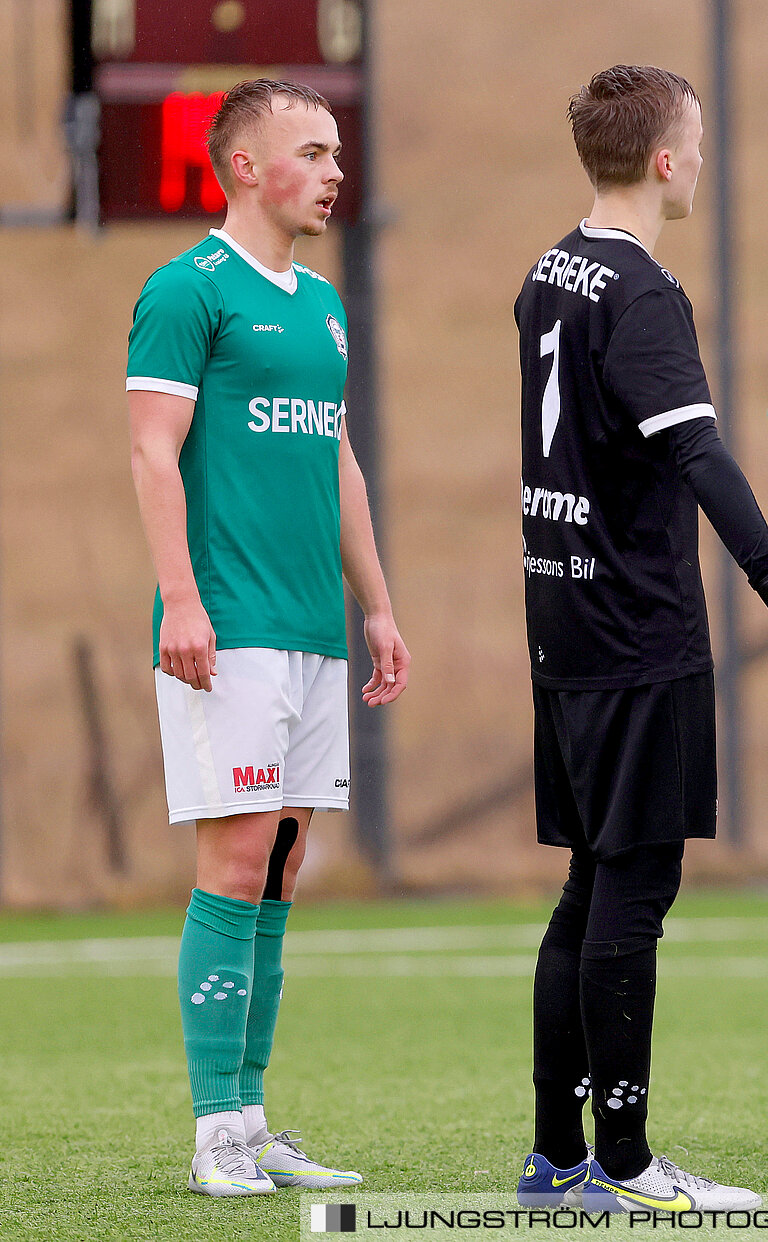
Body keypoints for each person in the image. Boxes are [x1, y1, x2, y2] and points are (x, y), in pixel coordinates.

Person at [512, 65, 768, 1215]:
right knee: (635, 888)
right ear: (667, 159)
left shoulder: (547, 273)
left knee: (587, 886)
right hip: (636, 629)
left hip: (560, 616)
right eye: (701, 142)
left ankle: (555, 1158)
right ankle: (622, 1166)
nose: (705, 160)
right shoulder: (640, 292)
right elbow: (697, 453)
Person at [126, 78, 409, 1197]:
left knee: (282, 869)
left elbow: (335, 458)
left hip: (310, 625)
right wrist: (181, 600)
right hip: (229, 621)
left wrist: (377, 603)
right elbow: (153, 455)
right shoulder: (185, 290)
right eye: (313, 150)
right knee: (236, 860)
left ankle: (251, 1114)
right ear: (245, 165)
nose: (336, 169)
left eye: (337, 151)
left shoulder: (323, 307)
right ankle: (213, 1134)